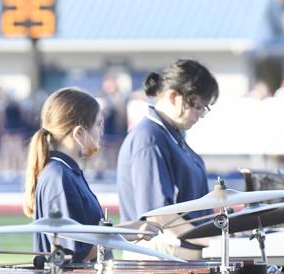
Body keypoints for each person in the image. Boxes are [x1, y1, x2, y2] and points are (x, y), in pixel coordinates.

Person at [116, 59, 219, 259]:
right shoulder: (149, 138)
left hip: (182, 250)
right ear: (173, 96)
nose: (200, 115)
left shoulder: (172, 134)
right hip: (160, 257)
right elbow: (158, 214)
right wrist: (211, 242)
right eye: (197, 107)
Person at [22, 88, 107, 262]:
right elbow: (69, 254)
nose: (101, 132)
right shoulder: (58, 176)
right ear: (79, 134)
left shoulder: (66, 172)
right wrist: (122, 236)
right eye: (98, 124)